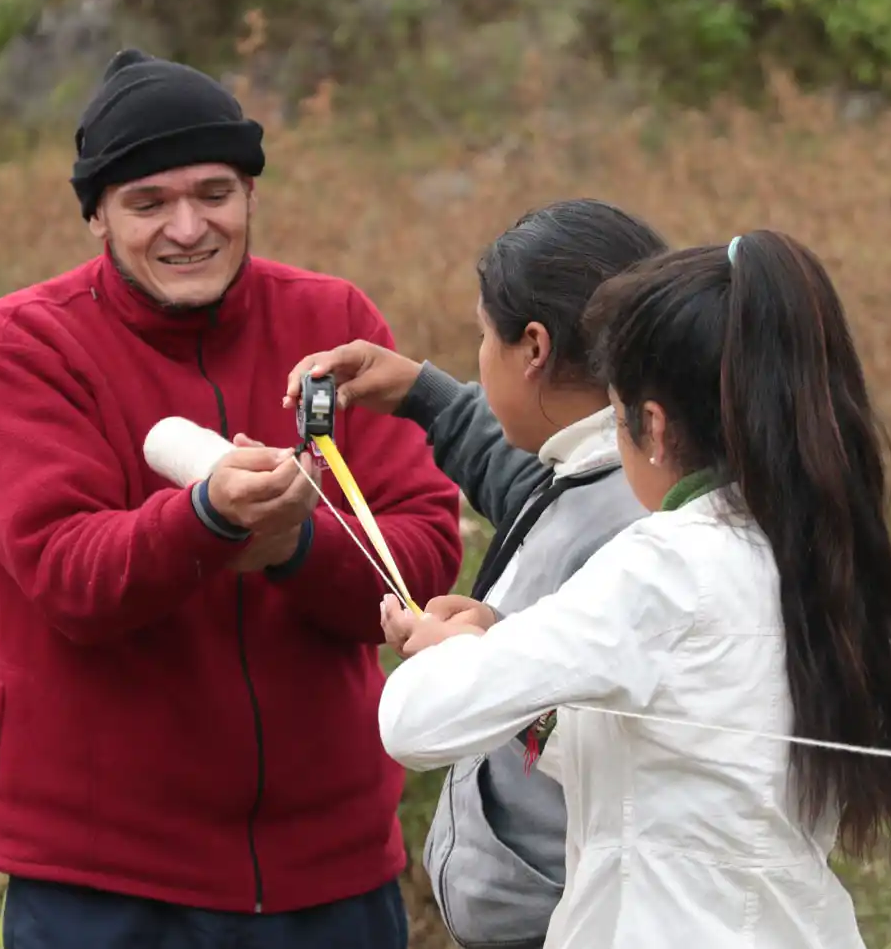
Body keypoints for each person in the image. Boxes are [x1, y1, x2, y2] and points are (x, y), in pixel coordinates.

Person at [0, 48, 463, 949]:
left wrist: (294, 549)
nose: (188, 227)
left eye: (215, 193)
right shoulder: (22, 348)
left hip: (331, 874)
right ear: (99, 215)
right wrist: (208, 518)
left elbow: (419, 555)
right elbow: (69, 580)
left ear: (251, 195)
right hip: (106, 884)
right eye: (148, 202)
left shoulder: (331, 324)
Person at [375, 230, 891, 948]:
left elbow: (415, 722)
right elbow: (655, 756)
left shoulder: (666, 562)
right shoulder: (801, 541)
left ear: (653, 426)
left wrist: (452, 653)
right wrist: (503, 654)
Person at [283, 198, 664, 948]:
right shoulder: (611, 474)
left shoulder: (632, 524)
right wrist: (422, 396)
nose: (477, 358)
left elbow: (521, 698)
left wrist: (460, 659)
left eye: (481, 337)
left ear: (532, 347)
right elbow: (535, 490)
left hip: (575, 921)